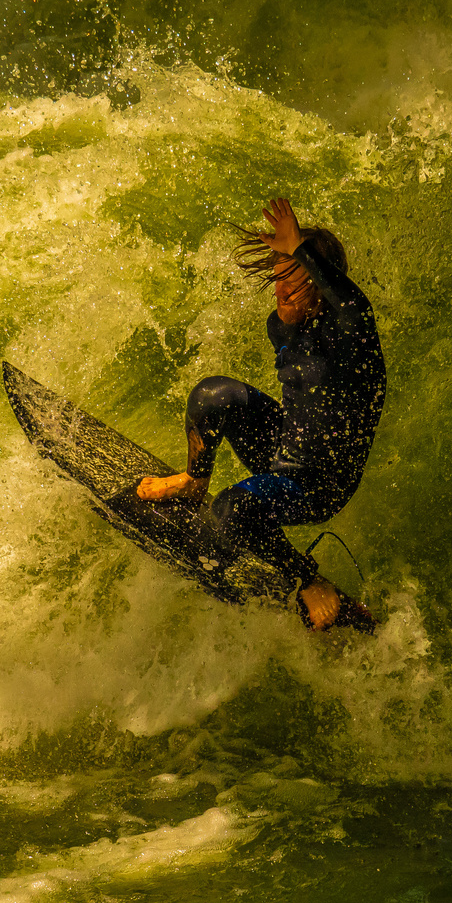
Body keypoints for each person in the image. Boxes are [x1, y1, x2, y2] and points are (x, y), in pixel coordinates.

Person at [138, 198, 386, 630]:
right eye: (278, 279)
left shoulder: (352, 338)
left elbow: (351, 305)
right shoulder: (281, 325)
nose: (281, 291)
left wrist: (302, 249)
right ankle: (195, 481)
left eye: (296, 281)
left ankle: (309, 580)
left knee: (232, 511)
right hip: (283, 450)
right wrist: (293, 261)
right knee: (211, 395)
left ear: (323, 284)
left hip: (316, 486)